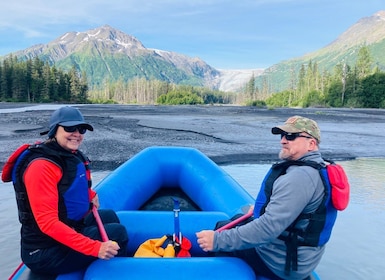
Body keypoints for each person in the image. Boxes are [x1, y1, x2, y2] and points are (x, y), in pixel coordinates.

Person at [196, 115, 337, 280]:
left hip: (280, 262)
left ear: (311, 144)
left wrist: (217, 240)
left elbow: (267, 229)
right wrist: (260, 210)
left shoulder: (300, 178)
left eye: (291, 136)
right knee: (236, 219)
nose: (283, 141)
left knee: (221, 228)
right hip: (299, 256)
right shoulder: (318, 168)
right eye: (282, 135)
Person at [2, 106, 128, 276]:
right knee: (117, 233)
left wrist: (90, 195)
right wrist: (96, 248)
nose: (77, 133)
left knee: (109, 216)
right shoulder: (41, 166)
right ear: (54, 130)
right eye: (69, 128)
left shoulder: (64, 154)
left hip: (66, 229)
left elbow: (67, 188)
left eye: (81, 129)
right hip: (43, 251)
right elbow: (48, 223)